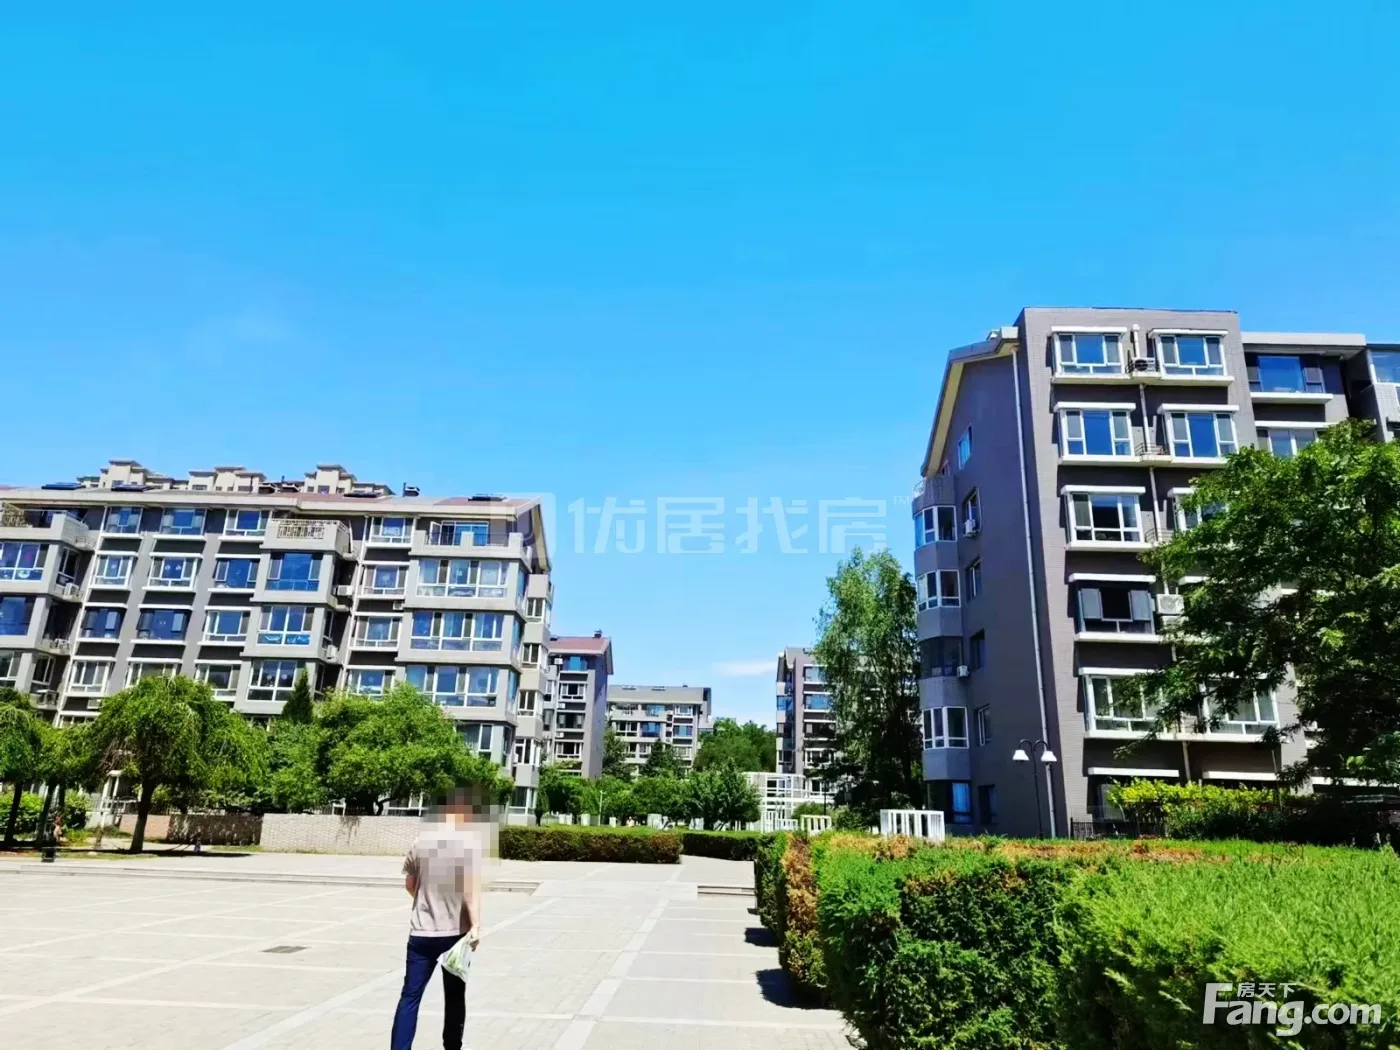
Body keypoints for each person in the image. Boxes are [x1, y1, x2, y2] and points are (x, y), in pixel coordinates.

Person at [390, 786, 486, 1050]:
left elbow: (410, 885)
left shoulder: (419, 843)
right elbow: (470, 890)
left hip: (421, 934)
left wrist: (426, 904)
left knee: (410, 996)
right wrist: (476, 926)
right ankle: (452, 1046)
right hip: (455, 935)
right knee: (454, 997)